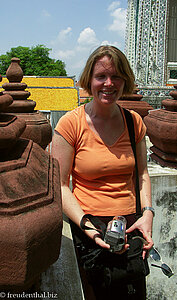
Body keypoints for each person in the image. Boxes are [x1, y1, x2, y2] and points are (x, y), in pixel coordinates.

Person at [51, 45, 154, 299]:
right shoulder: (71, 124)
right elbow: (61, 185)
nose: (109, 83)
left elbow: (142, 175)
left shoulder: (134, 122)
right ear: (89, 80)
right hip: (89, 225)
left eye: (116, 76)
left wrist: (148, 214)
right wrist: (88, 227)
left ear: (125, 81)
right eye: (101, 77)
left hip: (130, 226)